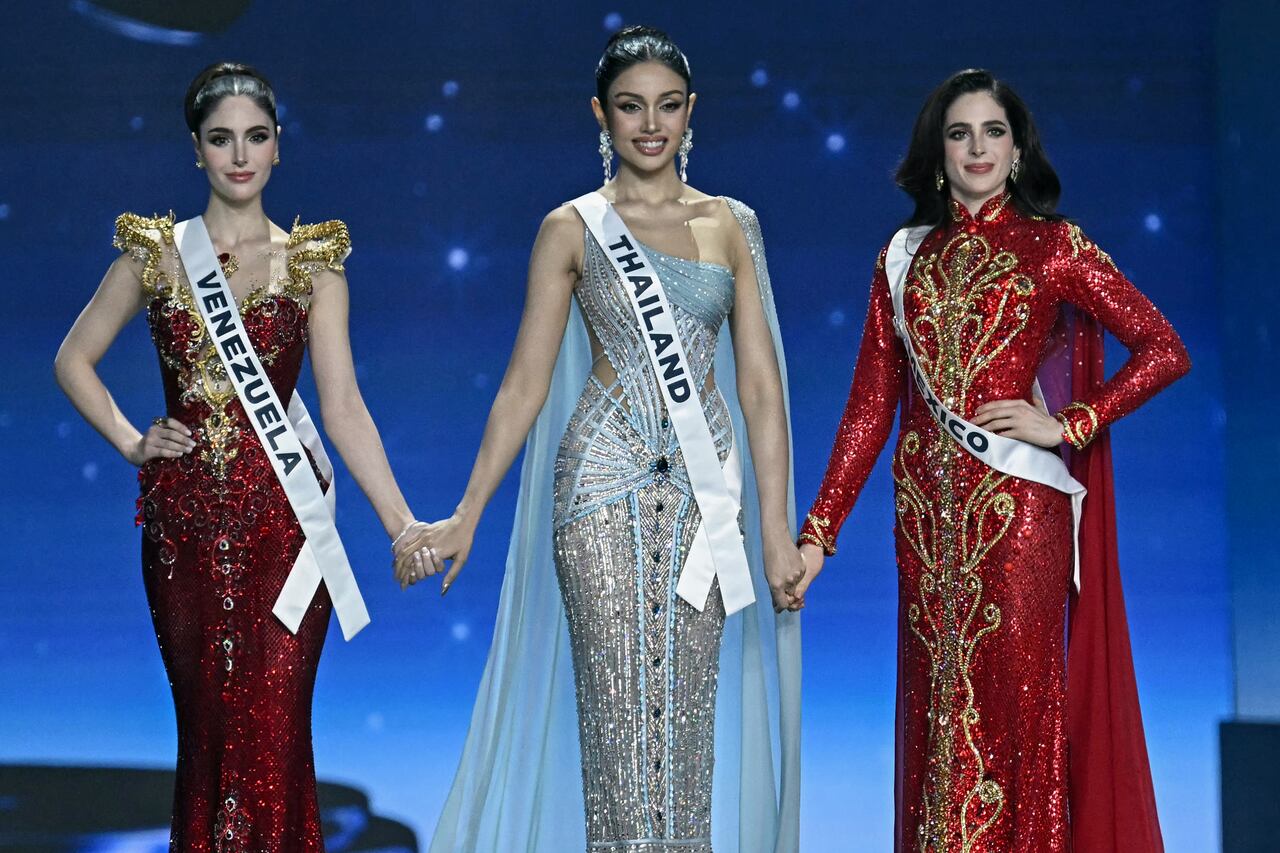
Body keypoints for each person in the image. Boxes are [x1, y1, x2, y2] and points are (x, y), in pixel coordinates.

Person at [403, 26, 802, 853]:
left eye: (665, 106)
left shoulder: (732, 225)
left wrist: (774, 532)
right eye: (630, 107)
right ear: (601, 114)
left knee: (687, 729)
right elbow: (523, 384)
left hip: (706, 501)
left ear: (691, 113)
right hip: (597, 488)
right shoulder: (572, 228)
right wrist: (467, 512)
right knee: (618, 730)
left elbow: (760, 387)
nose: (649, 125)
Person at [793, 69, 1188, 851]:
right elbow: (870, 407)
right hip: (924, 525)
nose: (978, 147)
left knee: (1012, 712)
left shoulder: (1053, 247)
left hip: (1018, 517)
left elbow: (1163, 348)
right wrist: (819, 532)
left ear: (1017, 150)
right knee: (936, 711)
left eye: (993, 132)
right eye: (959, 132)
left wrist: (1073, 422)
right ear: (937, 154)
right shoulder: (903, 258)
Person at [54, 62, 432, 849]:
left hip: (288, 535)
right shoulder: (156, 255)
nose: (239, 155)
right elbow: (71, 359)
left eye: (255, 137)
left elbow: (344, 406)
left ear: (277, 148)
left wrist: (400, 523)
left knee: (277, 735)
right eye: (221, 139)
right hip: (184, 532)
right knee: (210, 738)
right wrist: (132, 440)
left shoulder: (314, 266)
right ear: (196, 149)